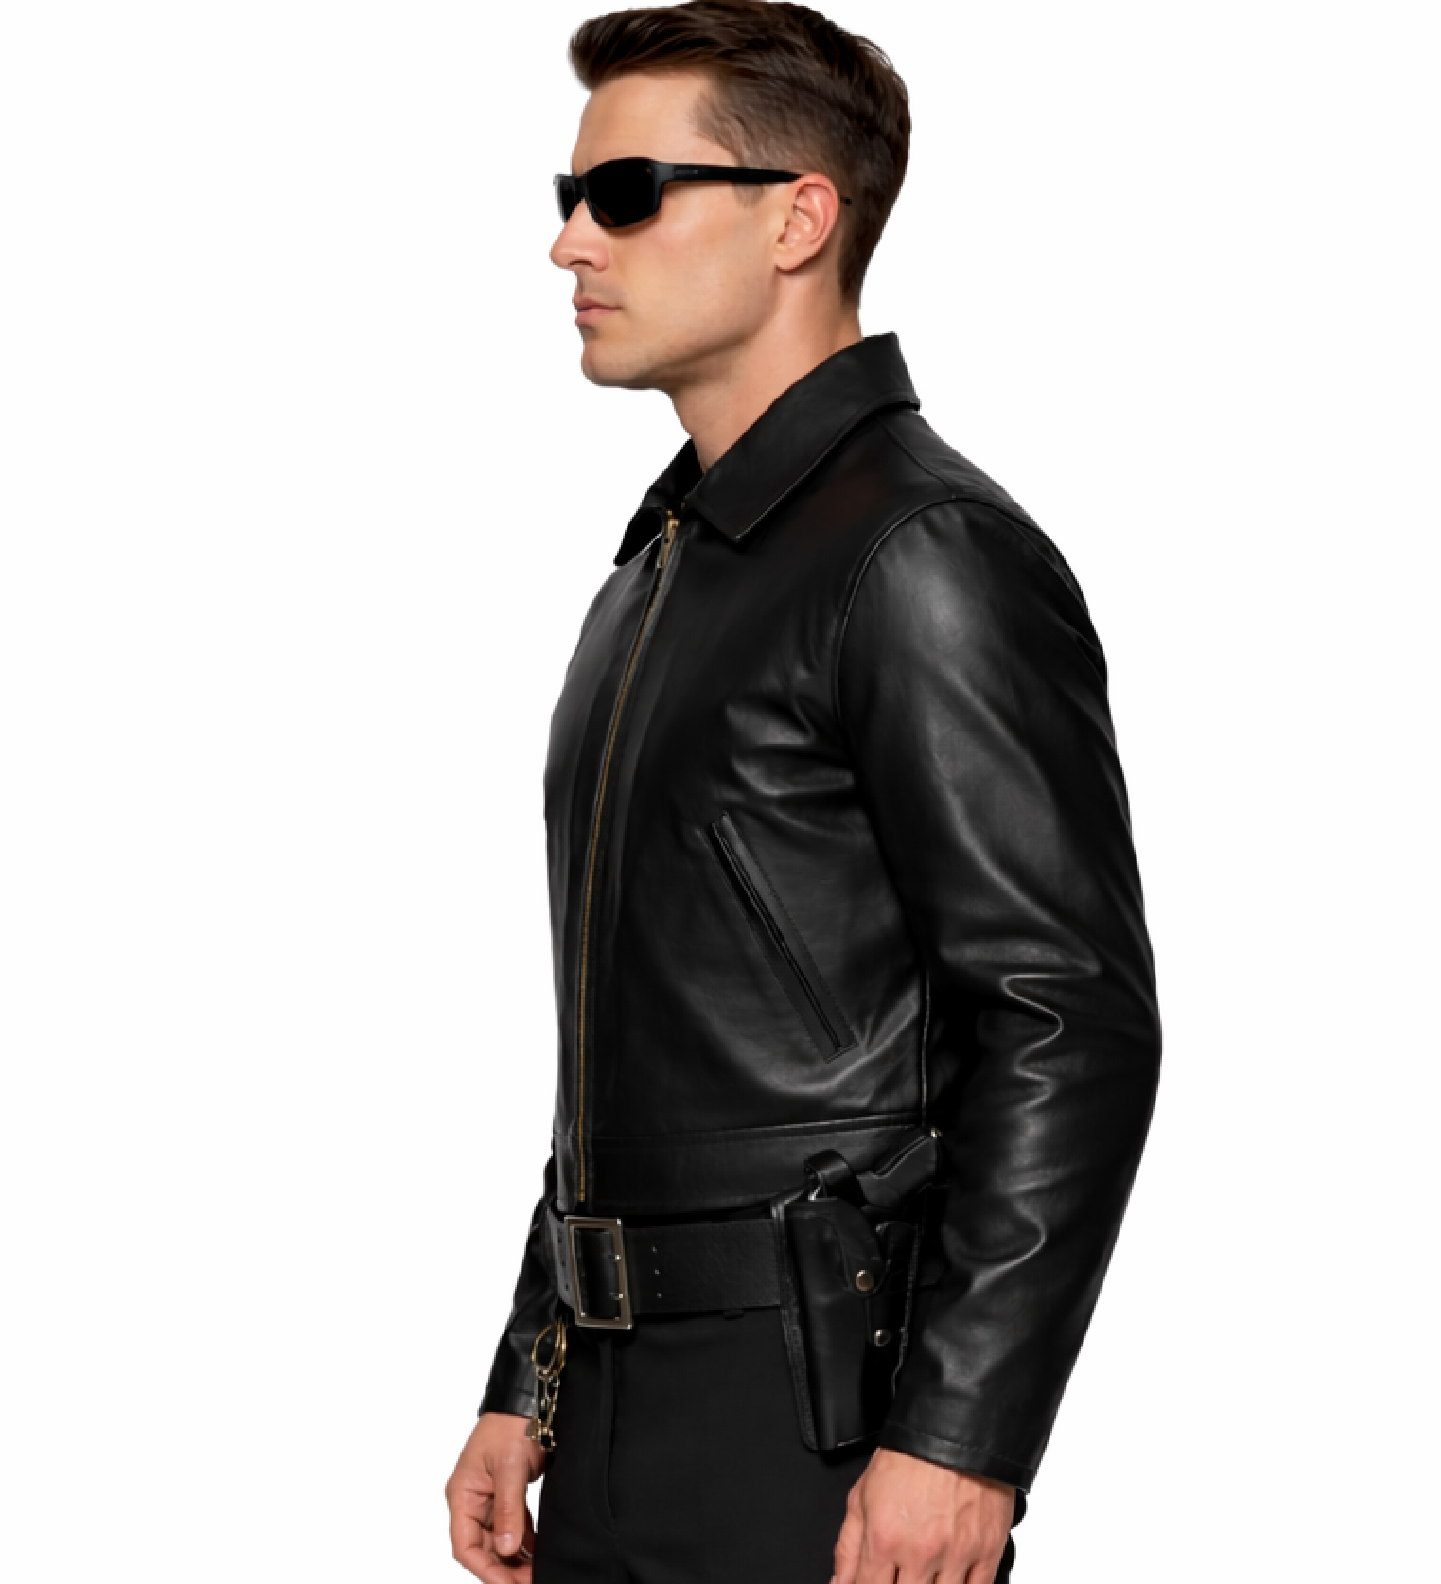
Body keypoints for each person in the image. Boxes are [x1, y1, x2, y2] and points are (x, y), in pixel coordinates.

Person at [444, 4, 1161, 1581]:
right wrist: (531, 1373)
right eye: (567, 197)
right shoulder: (659, 576)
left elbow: (1064, 1019)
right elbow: (638, 1047)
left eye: (625, 194)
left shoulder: (922, 554)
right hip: (619, 1418)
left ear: (799, 218)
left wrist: (962, 1436)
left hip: (819, 1425)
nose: (571, 241)